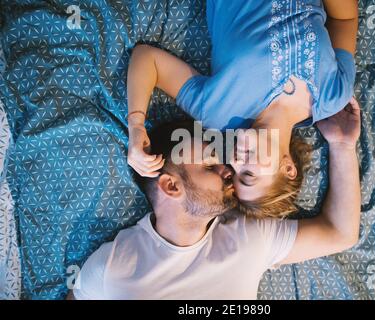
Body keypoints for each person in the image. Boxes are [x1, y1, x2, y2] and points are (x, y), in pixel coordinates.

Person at [67, 99, 361, 299]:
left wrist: (343, 145)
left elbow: (340, 233)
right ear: (171, 186)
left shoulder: (249, 234)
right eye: (210, 166)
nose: (228, 170)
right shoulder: (114, 264)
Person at [126, 0, 358, 218]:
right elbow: (344, 20)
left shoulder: (218, 113)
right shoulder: (334, 95)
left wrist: (136, 125)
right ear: (288, 168)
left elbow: (148, 59)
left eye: (233, 171)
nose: (235, 161)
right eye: (248, 175)